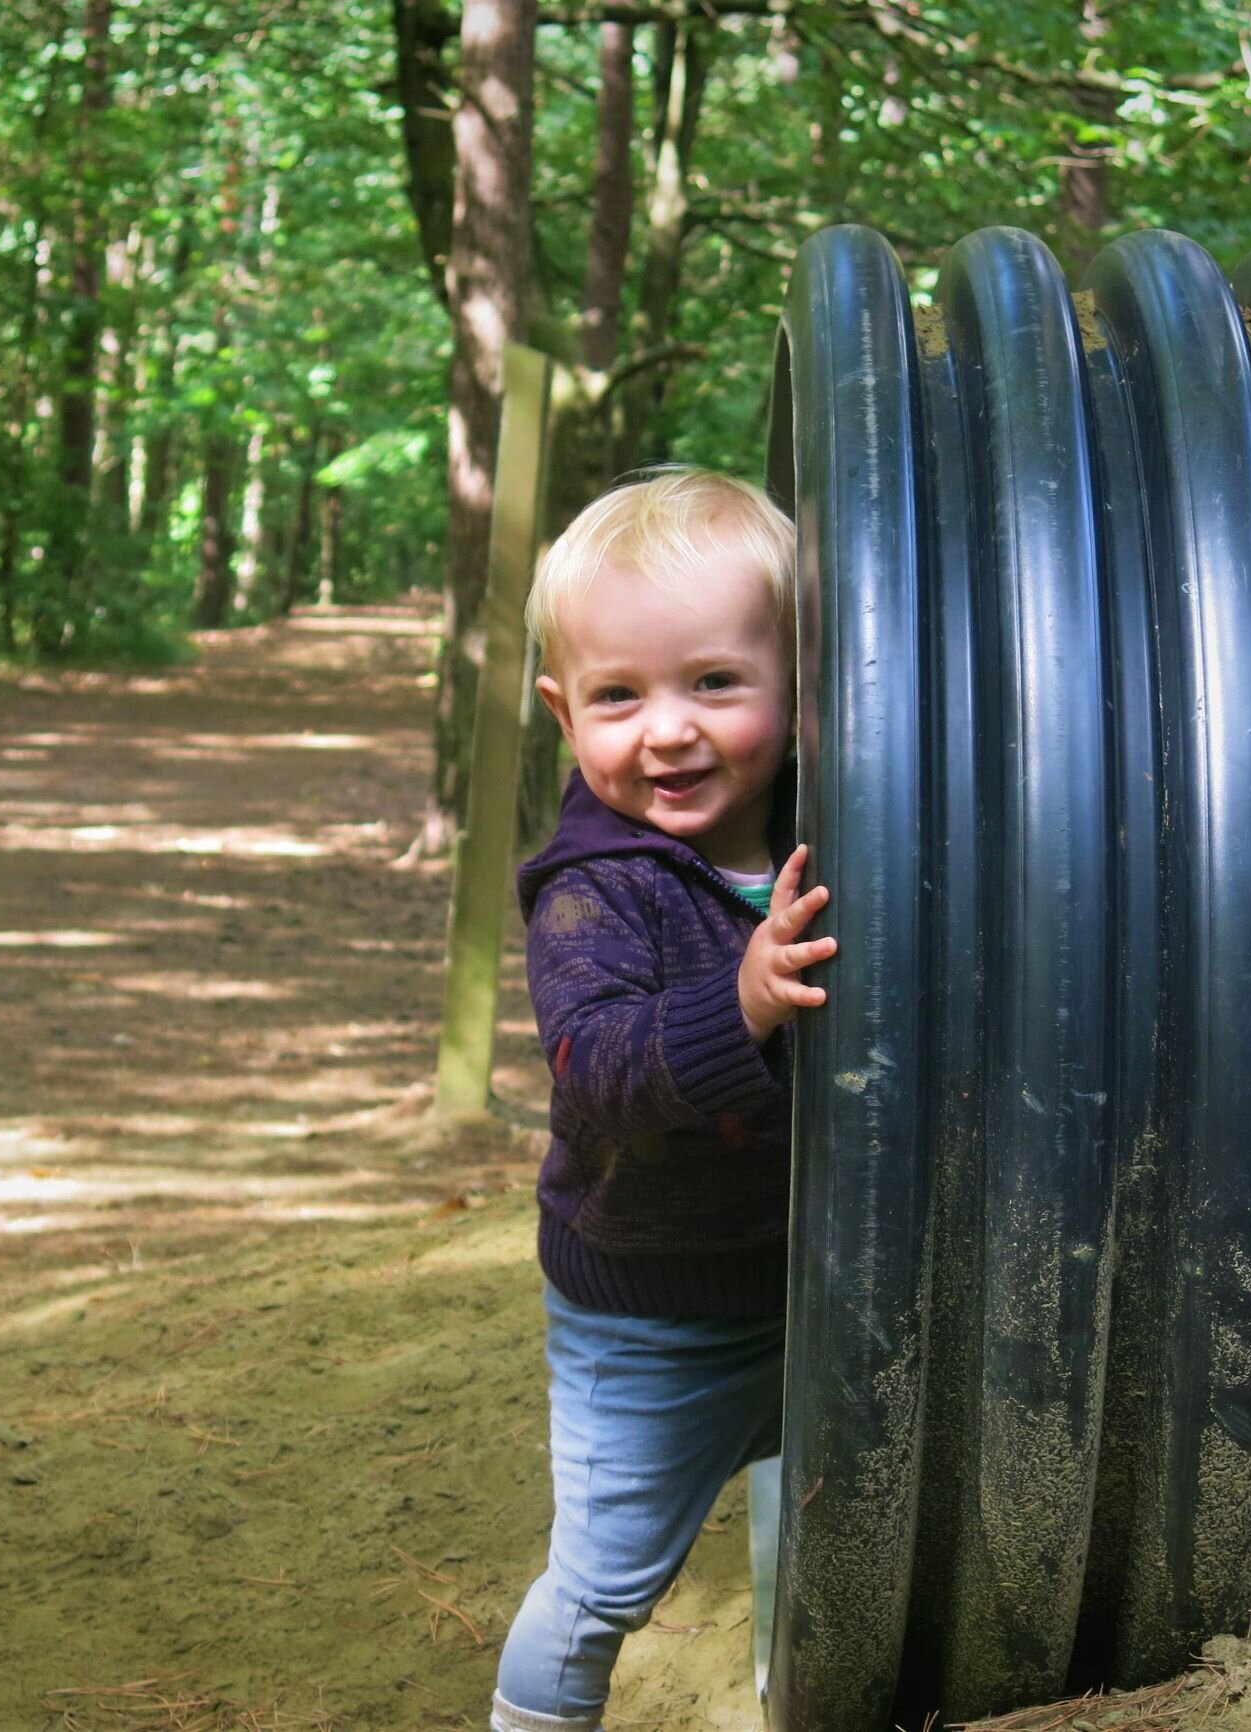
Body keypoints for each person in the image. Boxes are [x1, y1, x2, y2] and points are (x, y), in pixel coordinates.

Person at [491, 468, 835, 1732]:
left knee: (829, 1511)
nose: (667, 730)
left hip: (812, 1279)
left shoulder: (840, 821)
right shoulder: (595, 890)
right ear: (559, 712)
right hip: (653, 1315)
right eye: (618, 696)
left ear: (804, 680)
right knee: (601, 1587)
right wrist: (737, 998)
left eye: (713, 682)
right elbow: (597, 1068)